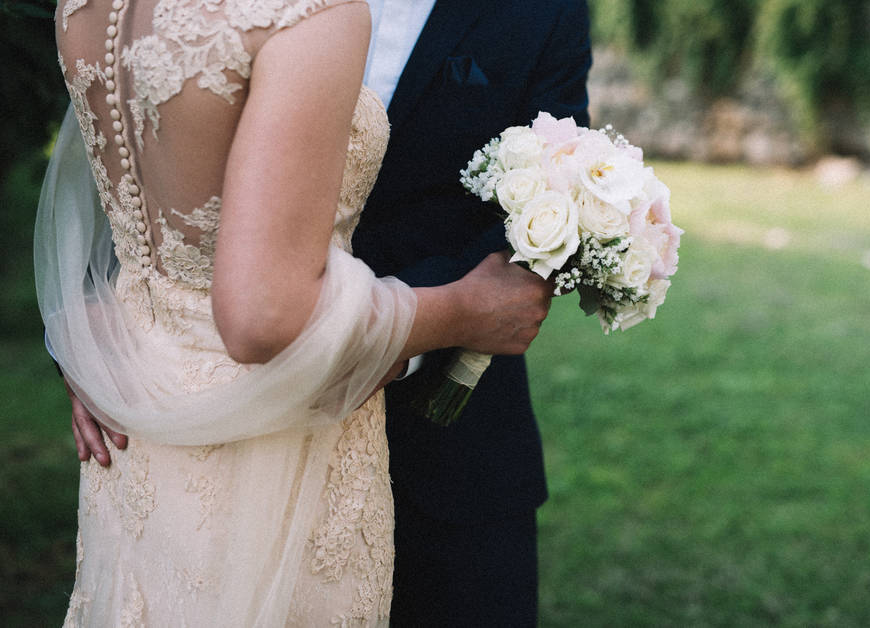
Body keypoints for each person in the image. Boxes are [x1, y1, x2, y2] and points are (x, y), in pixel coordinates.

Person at [41, 0, 556, 624]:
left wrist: (93, 332)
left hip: (145, 429)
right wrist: (459, 311)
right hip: (279, 442)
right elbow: (262, 315)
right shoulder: (310, 11)